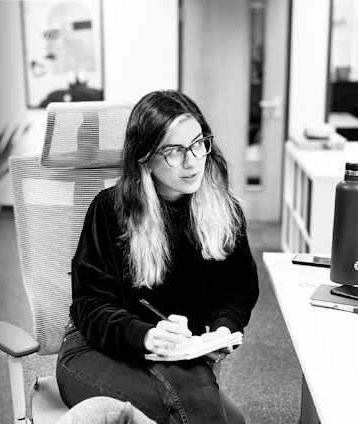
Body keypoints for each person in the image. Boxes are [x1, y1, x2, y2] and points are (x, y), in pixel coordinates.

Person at [56, 90, 259, 424]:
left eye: (198, 143)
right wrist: (147, 334)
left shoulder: (223, 210)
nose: (193, 160)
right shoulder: (110, 210)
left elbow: (235, 289)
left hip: (176, 355)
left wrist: (224, 329)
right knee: (194, 418)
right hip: (97, 348)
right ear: (145, 156)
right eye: (174, 151)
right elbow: (90, 304)